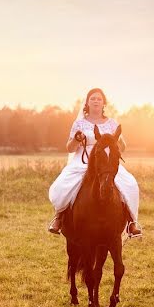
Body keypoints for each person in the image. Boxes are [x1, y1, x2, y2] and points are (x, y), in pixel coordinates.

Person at [47, 87, 142, 238]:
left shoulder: (112, 123)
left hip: (106, 162)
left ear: (104, 103)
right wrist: (77, 139)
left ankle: (131, 222)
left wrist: (116, 140)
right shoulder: (79, 123)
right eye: (93, 98)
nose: (96, 101)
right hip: (83, 160)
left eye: (99, 99)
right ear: (87, 103)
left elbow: (122, 147)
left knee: (130, 183)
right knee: (63, 184)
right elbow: (69, 148)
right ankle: (59, 217)